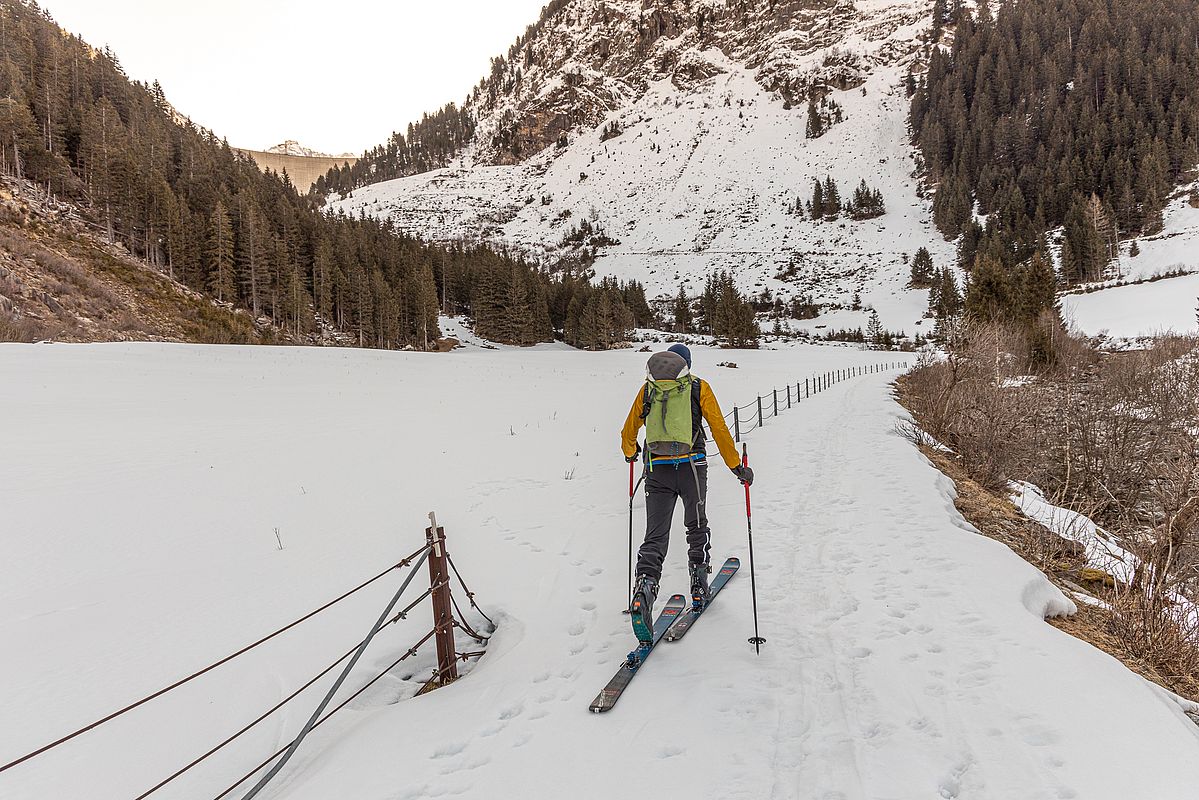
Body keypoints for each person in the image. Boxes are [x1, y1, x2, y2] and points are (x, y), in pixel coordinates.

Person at [620, 343, 753, 643]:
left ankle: (645, 587)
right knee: (696, 524)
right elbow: (719, 427)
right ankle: (699, 582)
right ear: (687, 365)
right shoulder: (698, 388)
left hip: (657, 471)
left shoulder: (648, 390)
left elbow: (628, 431)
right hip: (693, 467)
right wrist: (736, 467)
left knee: (655, 536)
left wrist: (631, 452)